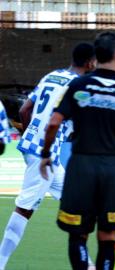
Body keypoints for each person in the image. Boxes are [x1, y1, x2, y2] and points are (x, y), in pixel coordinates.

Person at [39, 32, 115, 270]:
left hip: (82, 168)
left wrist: (46, 154)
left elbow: (54, 123)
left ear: (96, 56)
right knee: (108, 236)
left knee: (78, 235)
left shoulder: (78, 85)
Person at [0, 43, 96, 270]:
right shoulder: (80, 85)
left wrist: (31, 135)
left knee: (77, 206)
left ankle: (87, 264)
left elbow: (24, 110)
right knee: (24, 209)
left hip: (38, 150)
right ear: (90, 63)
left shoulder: (52, 76)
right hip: (44, 155)